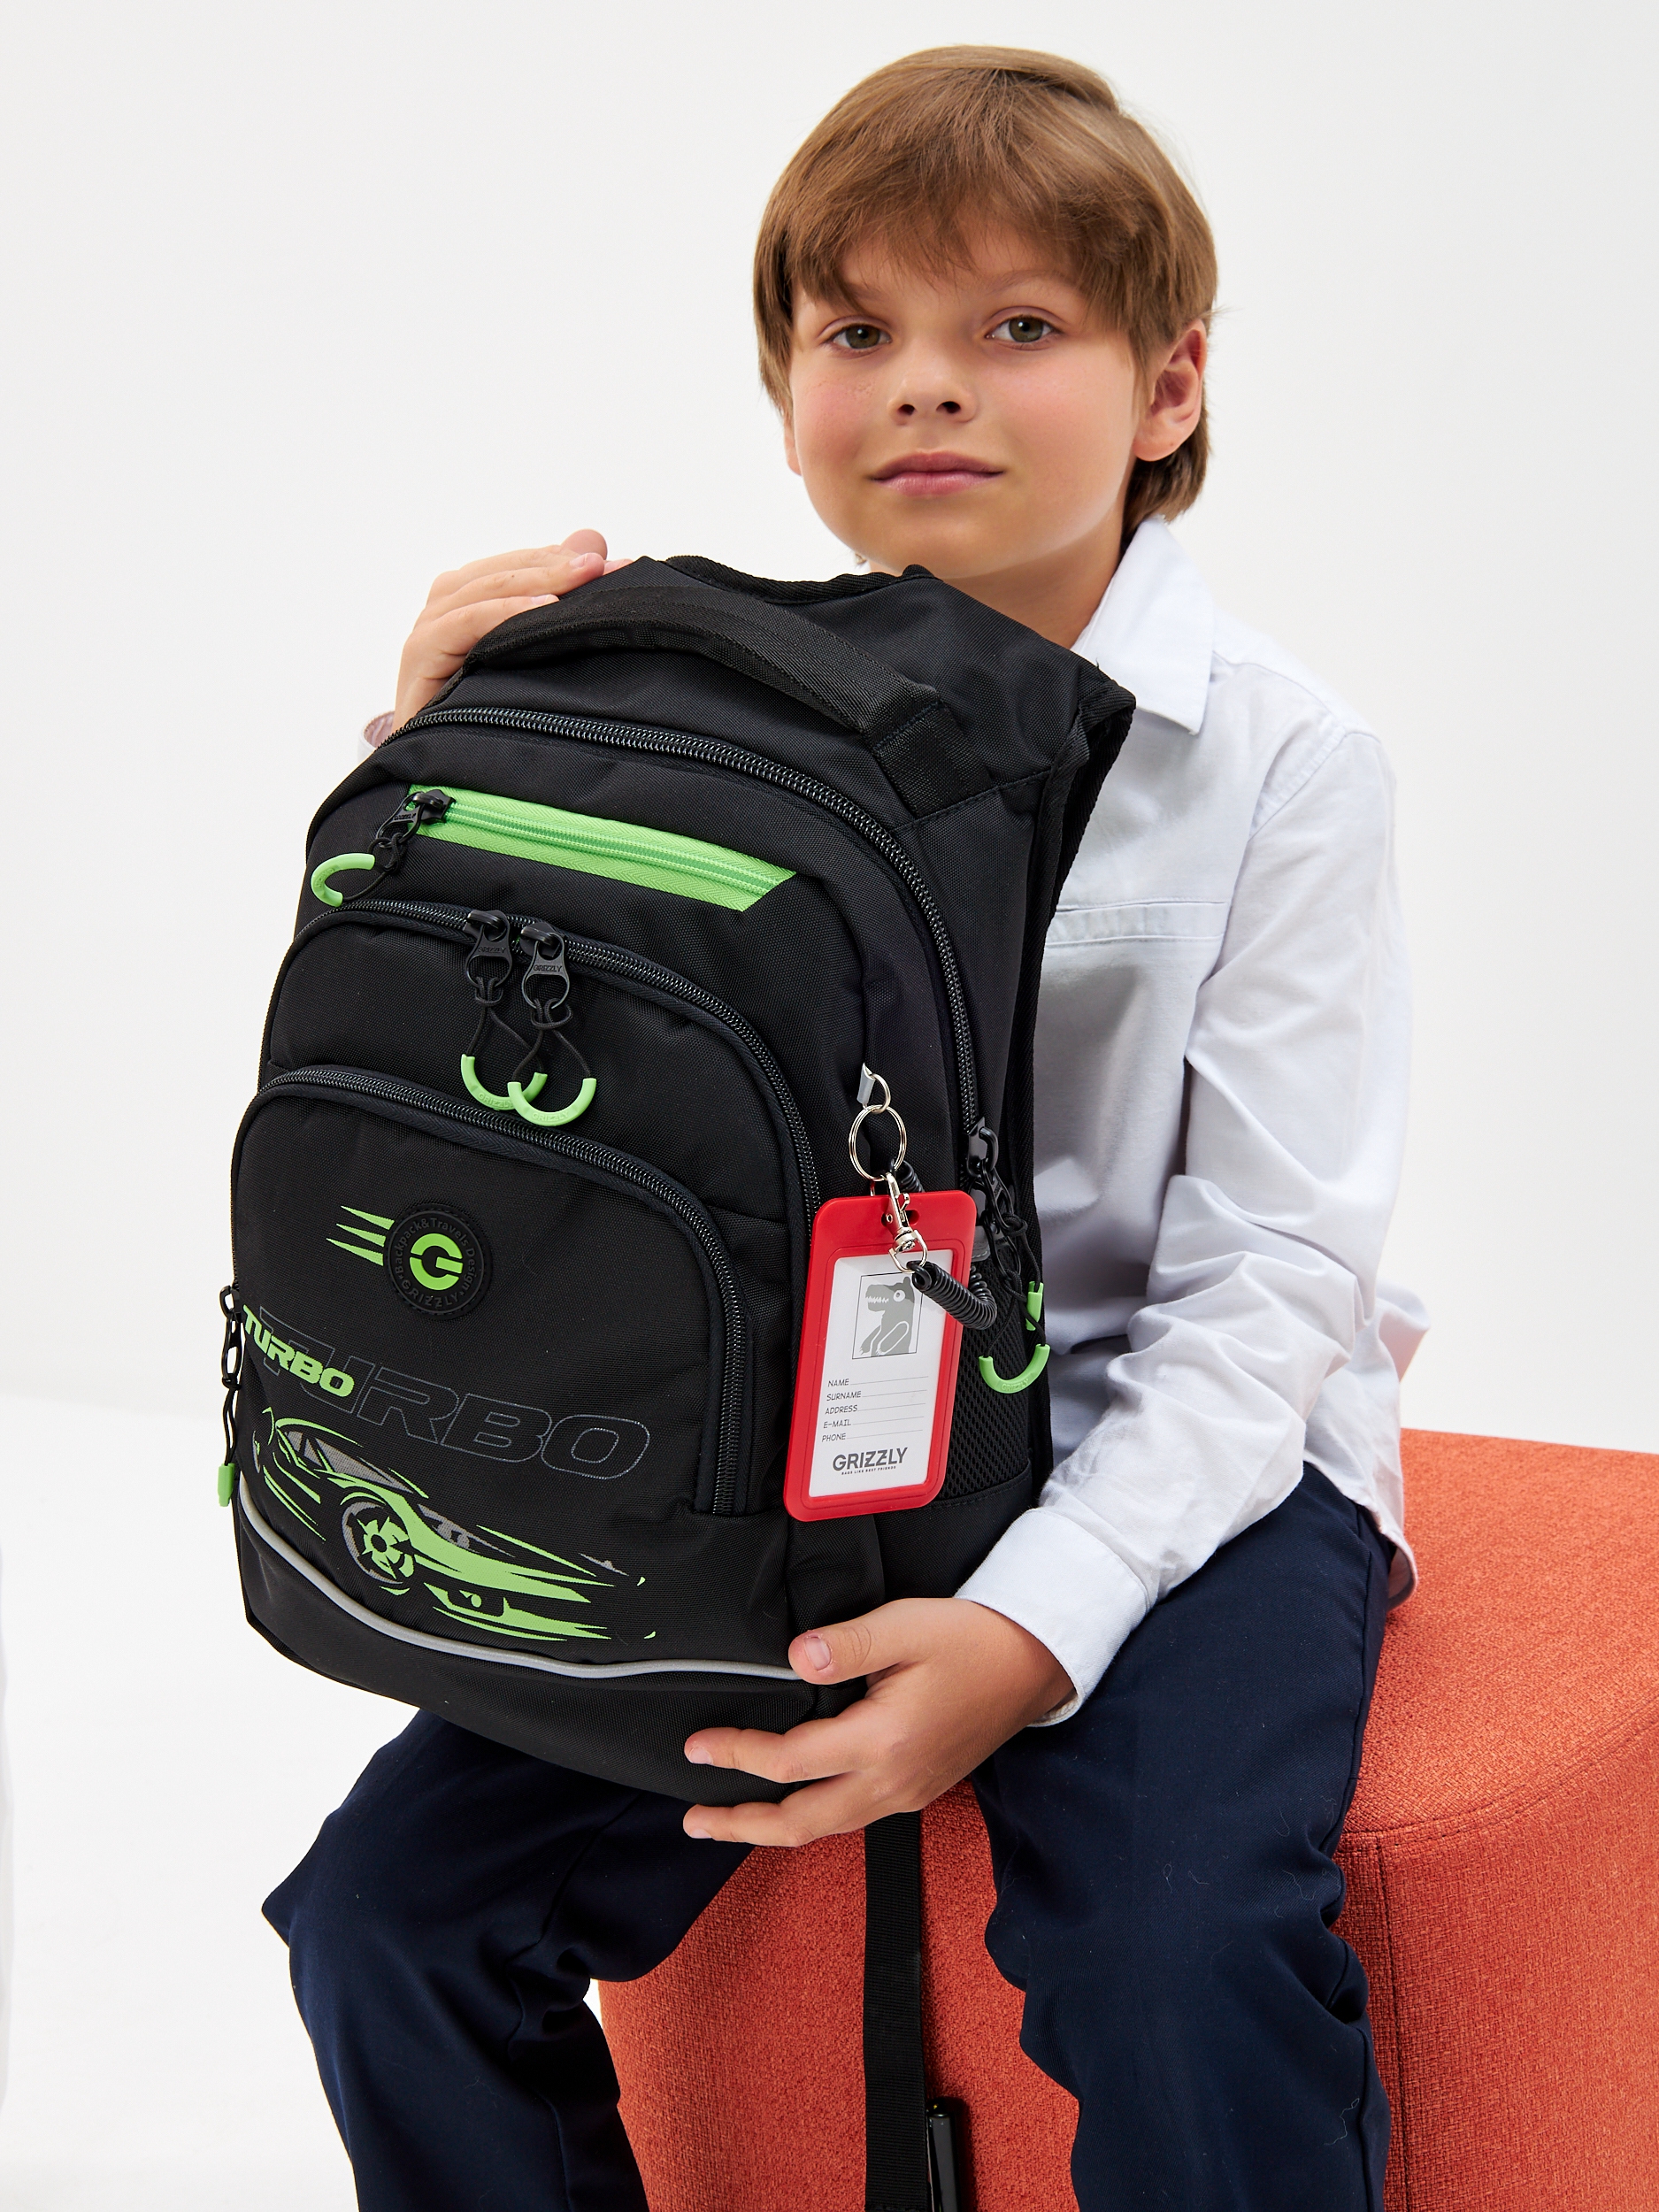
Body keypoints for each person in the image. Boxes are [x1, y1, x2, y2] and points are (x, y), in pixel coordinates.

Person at [268, 46, 1425, 2210]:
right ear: (786, 385)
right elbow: (496, 1071)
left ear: (1167, 386)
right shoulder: (696, 713)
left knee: (1173, 1943)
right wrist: (446, 737)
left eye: (1018, 325)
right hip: (791, 1450)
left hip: (1173, 1436)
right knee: (387, 1921)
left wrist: (1028, 1624)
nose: (926, 385)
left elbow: (1269, 1276)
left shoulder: (1281, 763)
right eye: (856, 331)